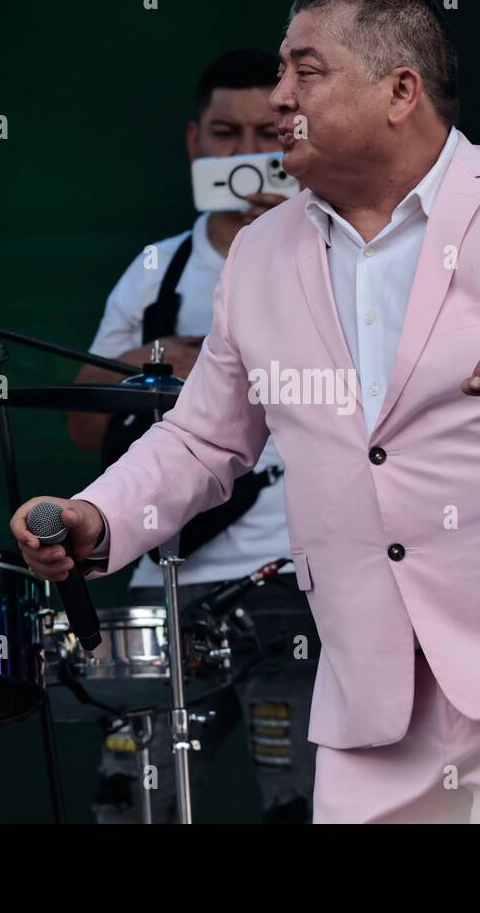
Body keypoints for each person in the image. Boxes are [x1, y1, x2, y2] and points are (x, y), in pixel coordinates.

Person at [13, 0, 480, 823]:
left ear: (399, 91)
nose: (278, 98)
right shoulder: (260, 254)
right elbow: (202, 441)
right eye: (280, 71)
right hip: (373, 687)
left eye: (305, 71)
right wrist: (100, 517)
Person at [66, 49, 319, 823]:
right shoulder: (157, 270)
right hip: (167, 571)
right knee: (138, 798)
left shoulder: (333, 244)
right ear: (193, 142)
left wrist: (286, 234)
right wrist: (150, 358)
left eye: (264, 134)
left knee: (300, 796)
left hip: (295, 576)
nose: (245, 154)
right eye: (224, 133)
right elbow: (82, 428)